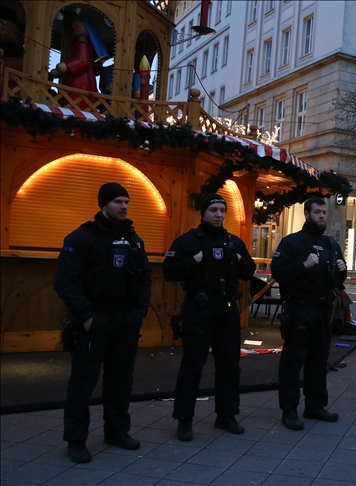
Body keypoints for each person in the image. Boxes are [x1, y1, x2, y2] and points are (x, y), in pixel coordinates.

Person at [54, 182, 152, 463]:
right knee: (82, 383)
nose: (124, 206)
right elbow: (65, 281)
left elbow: (145, 276)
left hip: (125, 320)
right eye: (118, 202)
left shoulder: (134, 239)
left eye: (126, 202)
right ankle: (76, 439)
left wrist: (139, 312)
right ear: (103, 204)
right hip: (94, 320)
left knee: (121, 380)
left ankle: (117, 430)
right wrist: (85, 317)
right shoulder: (82, 238)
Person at [163, 194, 256, 441]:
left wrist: (238, 259)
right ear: (203, 212)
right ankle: (184, 420)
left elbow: (250, 271)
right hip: (199, 308)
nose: (219, 215)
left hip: (227, 309)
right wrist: (194, 260)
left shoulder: (233, 242)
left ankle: (226, 415)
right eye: (214, 210)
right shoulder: (188, 241)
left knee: (229, 365)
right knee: (193, 365)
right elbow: (169, 271)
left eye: (222, 210)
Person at [271, 197, 347, 430]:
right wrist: (302, 265)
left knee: (318, 360)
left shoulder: (331, 244)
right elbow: (279, 273)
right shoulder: (292, 243)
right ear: (307, 214)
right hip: (300, 310)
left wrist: (342, 272)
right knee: (293, 362)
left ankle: (315, 405)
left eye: (324, 212)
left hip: (323, 311)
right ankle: (289, 410)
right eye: (317, 212)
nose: (322, 216)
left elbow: (336, 279)